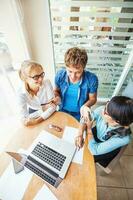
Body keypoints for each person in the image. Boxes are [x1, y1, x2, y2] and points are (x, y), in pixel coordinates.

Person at [75, 96, 133, 167]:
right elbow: (85, 118)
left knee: (83, 158)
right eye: (107, 105)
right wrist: (80, 134)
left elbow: (94, 150)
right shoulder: (103, 109)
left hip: (103, 148)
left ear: (116, 122)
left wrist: (89, 129)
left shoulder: (123, 138)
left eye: (106, 112)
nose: (102, 110)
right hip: (96, 134)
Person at [54, 47, 98, 121]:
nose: (73, 76)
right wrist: (57, 97)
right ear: (66, 67)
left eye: (78, 72)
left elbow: (93, 99)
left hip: (80, 114)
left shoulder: (92, 79)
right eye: (70, 71)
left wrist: (84, 107)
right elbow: (56, 91)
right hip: (63, 110)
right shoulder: (60, 75)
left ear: (83, 68)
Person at [18, 60, 59, 126]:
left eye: (42, 74)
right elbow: (24, 119)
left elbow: (53, 107)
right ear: (25, 79)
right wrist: (43, 109)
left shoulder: (47, 83)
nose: (41, 79)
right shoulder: (21, 93)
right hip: (34, 110)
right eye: (36, 77)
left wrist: (37, 121)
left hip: (47, 112)